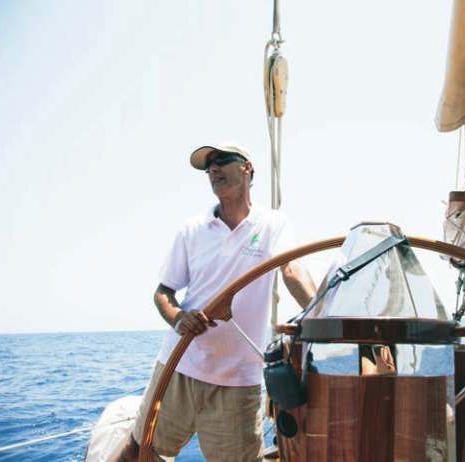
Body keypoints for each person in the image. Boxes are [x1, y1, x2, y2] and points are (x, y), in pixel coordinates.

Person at [110, 144, 316, 462]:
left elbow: (292, 270)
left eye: (221, 161)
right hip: (181, 365)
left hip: (238, 379)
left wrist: (324, 316)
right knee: (138, 451)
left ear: (247, 167)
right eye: (209, 167)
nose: (213, 170)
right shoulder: (192, 230)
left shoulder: (273, 224)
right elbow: (163, 292)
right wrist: (179, 318)